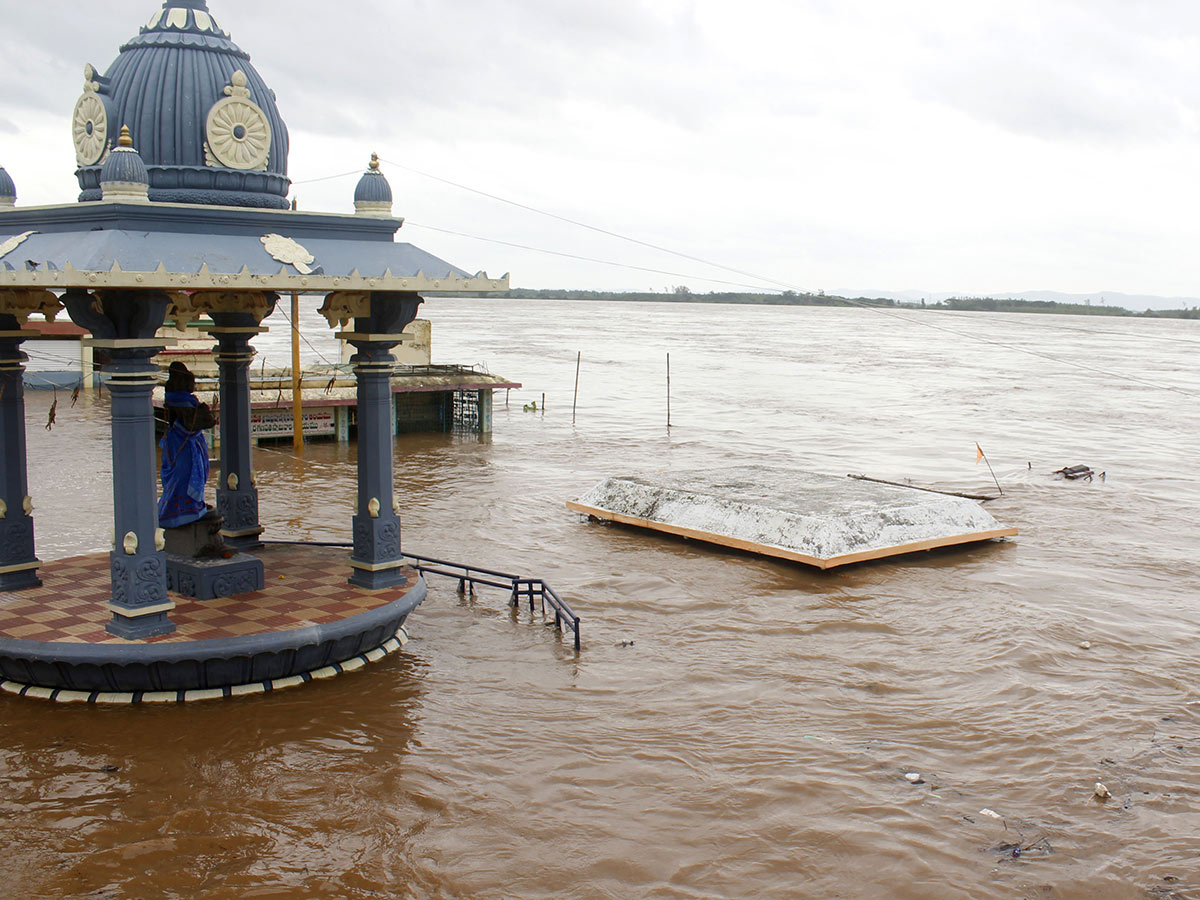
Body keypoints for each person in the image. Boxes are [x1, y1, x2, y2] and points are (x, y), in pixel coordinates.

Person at [157, 362, 215, 530]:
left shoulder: (172, 398)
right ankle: (187, 511)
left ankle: (180, 510)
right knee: (185, 475)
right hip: (185, 445)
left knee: (177, 477)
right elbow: (202, 421)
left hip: (177, 441)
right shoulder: (185, 402)